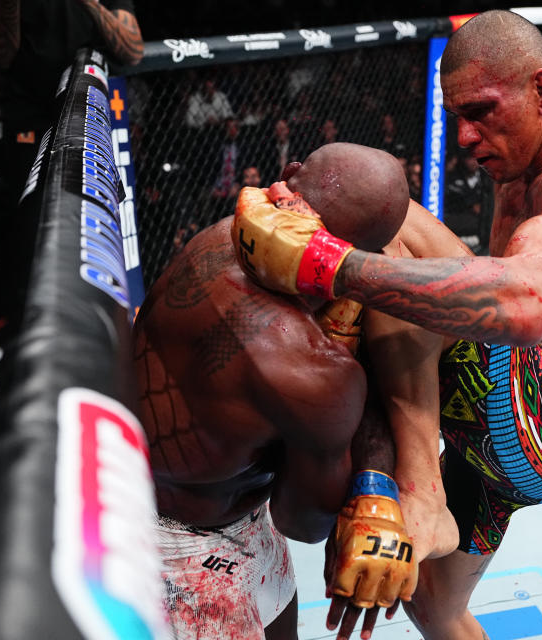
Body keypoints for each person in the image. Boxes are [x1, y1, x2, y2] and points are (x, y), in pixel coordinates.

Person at [232, 10, 542, 639]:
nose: (465, 136)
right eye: (457, 116)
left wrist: (329, 265)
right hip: (496, 435)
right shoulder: (520, 159)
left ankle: (418, 487)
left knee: (389, 214)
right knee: (434, 607)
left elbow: (524, 307)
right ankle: (420, 489)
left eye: (481, 110)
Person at [133, 143, 423, 640]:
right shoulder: (313, 370)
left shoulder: (218, 234)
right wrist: (370, 488)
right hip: (171, 542)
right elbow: (304, 522)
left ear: (288, 177)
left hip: (232, 513)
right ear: (367, 259)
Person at [0, 0, 144, 323]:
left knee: (99, 218)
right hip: (29, 115)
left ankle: (97, 321)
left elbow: (133, 50)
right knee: (27, 223)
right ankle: (26, 324)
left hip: (89, 113)